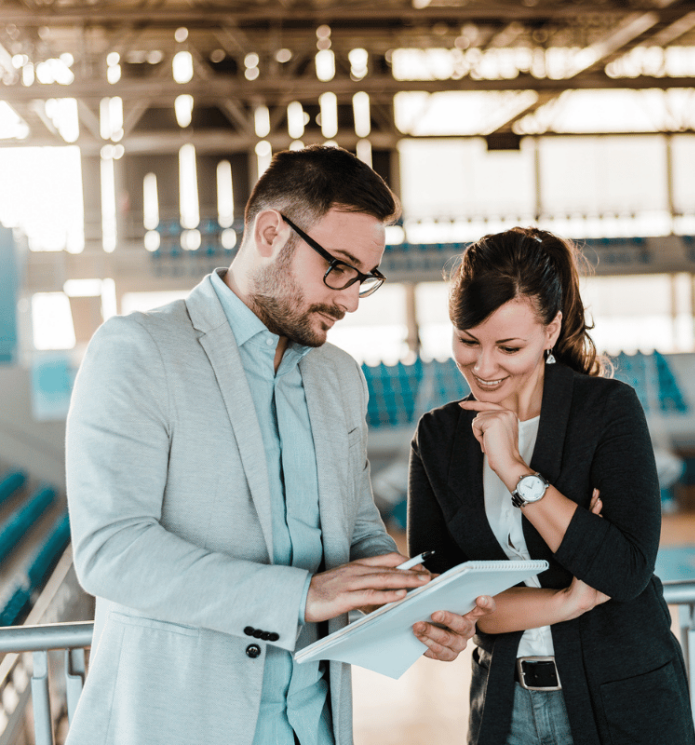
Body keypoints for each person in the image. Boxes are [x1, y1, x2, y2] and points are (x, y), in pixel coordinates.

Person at [65, 145, 492, 745]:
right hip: (179, 722)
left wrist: (403, 600)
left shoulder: (340, 376)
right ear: (270, 232)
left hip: (312, 726)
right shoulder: (138, 351)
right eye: (338, 267)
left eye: (363, 279)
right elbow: (113, 550)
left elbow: (357, 529)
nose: (348, 299)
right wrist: (301, 595)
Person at [407, 227, 695, 745]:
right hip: (504, 705)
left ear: (551, 330)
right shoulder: (438, 436)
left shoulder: (607, 410)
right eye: (468, 341)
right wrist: (570, 599)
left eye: (509, 346)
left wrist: (515, 470)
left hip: (624, 703)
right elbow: (445, 595)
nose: (484, 366)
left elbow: (625, 571)